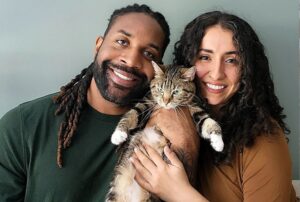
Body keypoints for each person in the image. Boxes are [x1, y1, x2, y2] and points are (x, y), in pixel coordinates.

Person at [0, 3, 181, 201]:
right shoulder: (23, 125)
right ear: (98, 45)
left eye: (149, 54)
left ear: (158, 68)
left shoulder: (165, 135)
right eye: (122, 41)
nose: (130, 60)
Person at [130, 11, 297, 201]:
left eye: (231, 60)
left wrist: (177, 192)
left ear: (247, 70)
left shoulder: (264, 140)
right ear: (188, 64)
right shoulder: (171, 119)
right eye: (205, 57)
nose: (216, 74)